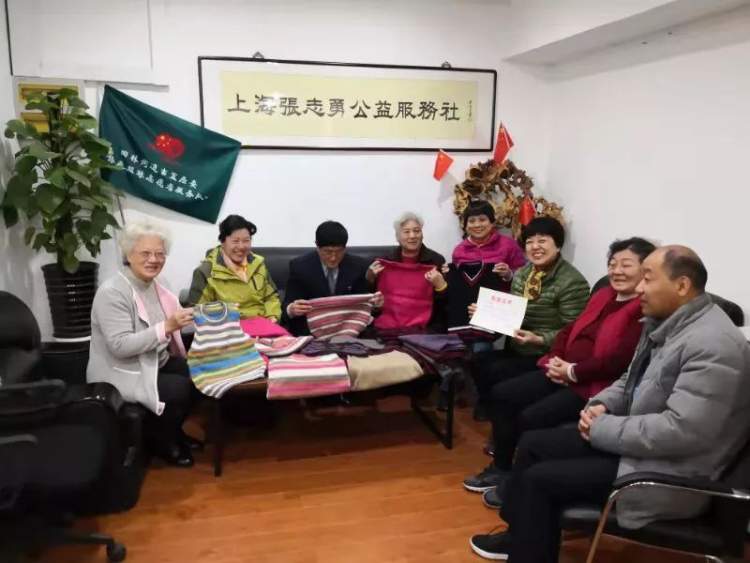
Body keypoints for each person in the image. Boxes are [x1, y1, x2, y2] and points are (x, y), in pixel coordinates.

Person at [469, 245, 750, 562]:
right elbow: (631, 378)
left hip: (668, 472)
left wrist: (602, 427)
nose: (639, 288)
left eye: (647, 278)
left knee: (541, 479)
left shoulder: (713, 345)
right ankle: (519, 537)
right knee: (534, 443)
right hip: (638, 447)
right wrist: (601, 404)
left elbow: (682, 431)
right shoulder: (667, 322)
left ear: (682, 285)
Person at [463, 237, 656, 500]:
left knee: (530, 417)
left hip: (594, 385)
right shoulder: (604, 294)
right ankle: (501, 468)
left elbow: (619, 360)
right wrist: (554, 359)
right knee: (503, 393)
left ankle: (519, 485)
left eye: (626, 265)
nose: (617, 271)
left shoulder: (643, 308)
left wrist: (573, 371)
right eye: (613, 264)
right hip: (561, 369)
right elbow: (570, 329)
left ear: (646, 270)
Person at [88, 220, 199, 467]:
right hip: (122, 370)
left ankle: (173, 431)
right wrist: (167, 326)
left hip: (154, 360)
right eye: (145, 253)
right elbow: (120, 346)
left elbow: (173, 321)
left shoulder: (158, 285)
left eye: (160, 254)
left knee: (200, 375)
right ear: (128, 254)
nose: (154, 260)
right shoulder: (112, 292)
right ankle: (163, 442)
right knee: (179, 388)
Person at [471, 216, 590, 411]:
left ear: (558, 245)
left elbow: (575, 332)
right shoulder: (522, 273)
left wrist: (539, 339)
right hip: (519, 347)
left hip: (546, 353)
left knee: (497, 375)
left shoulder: (572, 282)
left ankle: (499, 414)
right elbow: (513, 313)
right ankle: (491, 411)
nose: (535, 247)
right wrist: (486, 313)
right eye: (529, 242)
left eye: (542, 241)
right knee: (477, 361)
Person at [282, 220, 383, 336]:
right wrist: (291, 309)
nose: (333, 258)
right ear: (317, 246)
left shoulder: (358, 266)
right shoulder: (299, 266)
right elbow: (287, 305)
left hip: (349, 331)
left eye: (339, 251)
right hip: (312, 333)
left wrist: (376, 304)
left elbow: (364, 306)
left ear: (345, 248)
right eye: (328, 252)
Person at [188, 214, 281, 320]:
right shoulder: (205, 272)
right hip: (227, 326)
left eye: (246, 240)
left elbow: (271, 297)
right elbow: (198, 313)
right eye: (235, 241)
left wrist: (272, 317)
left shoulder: (258, 264)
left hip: (262, 324)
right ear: (223, 242)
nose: (241, 246)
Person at [366, 212, 447, 329]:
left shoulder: (436, 261)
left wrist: (441, 286)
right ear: (397, 237)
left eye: (417, 231)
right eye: (406, 232)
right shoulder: (384, 261)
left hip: (424, 327)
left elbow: (444, 304)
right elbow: (370, 300)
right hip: (387, 326)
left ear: (422, 234)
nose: (412, 236)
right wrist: (370, 279)